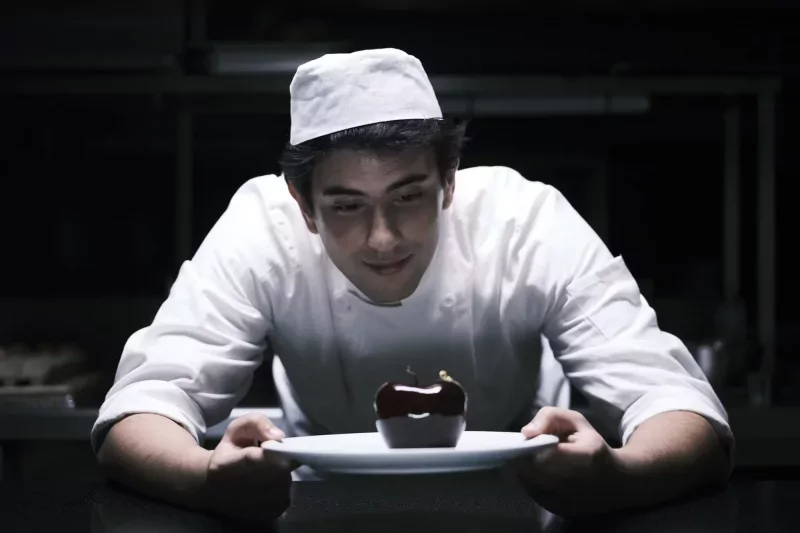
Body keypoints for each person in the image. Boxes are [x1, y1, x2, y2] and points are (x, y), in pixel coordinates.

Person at [92, 48, 734, 523]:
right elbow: (141, 408)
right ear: (303, 204)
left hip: (523, 497)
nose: (383, 238)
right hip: (320, 502)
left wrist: (620, 476)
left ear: (448, 181)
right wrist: (204, 479)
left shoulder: (524, 219)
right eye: (347, 205)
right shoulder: (261, 227)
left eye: (408, 196)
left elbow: (678, 405)